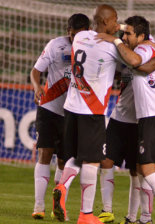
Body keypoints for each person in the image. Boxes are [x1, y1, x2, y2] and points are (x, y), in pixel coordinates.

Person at [52, 4, 155, 224]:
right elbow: (137, 64)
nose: (120, 27)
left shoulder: (80, 37)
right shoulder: (115, 48)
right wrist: (121, 42)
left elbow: (143, 51)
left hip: (80, 109)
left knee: (94, 160)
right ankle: (94, 213)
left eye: (126, 29)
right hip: (103, 113)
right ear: (108, 22)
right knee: (97, 161)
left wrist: (122, 33)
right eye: (116, 21)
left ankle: (137, 216)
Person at [95, 15, 155, 224]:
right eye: (122, 33)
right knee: (143, 169)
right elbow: (138, 70)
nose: (123, 36)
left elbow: (141, 66)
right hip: (146, 118)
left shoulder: (142, 50)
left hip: (154, 118)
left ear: (141, 36)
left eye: (127, 34)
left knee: (146, 171)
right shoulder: (145, 45)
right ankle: (145, 219)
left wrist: (114, 40)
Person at [30, 13, 90, 220]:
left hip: (72, 112)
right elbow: (36, 71)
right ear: (68, 32)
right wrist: (37, 87)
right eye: (72, 35)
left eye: (79, 35)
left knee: (65, 162)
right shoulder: (56, 46)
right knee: (45, 153)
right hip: (48, 108)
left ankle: (59, 203)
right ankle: (39, 206)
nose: (75, 39)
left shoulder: (93, 48)